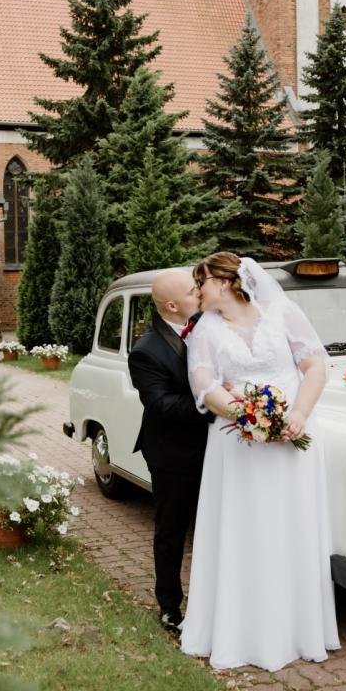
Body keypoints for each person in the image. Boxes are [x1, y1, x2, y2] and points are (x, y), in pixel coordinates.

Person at [180, 252, 340, 670]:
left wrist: (298, 414)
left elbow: (315, 367)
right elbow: (205, 386)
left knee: (289, 526)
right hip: (239, 446)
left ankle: (298, 630)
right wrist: (250, 415)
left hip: (293, 439)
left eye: (203, 281)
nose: (197, 290)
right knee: (245, 529)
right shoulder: (205, 331)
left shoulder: (282, 312)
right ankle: (243, 633)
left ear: (227, 282)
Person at [127, 268, 214, 635]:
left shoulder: (210, 329)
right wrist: (215, 403)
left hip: (217, 449)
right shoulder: (146, 351)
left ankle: (214, 600)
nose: (202, 294)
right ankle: (169, 605)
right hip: (173, 454)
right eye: (196, 291)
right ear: (173, 305)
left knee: (214, 527)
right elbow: (162, 405)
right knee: (172, 531)